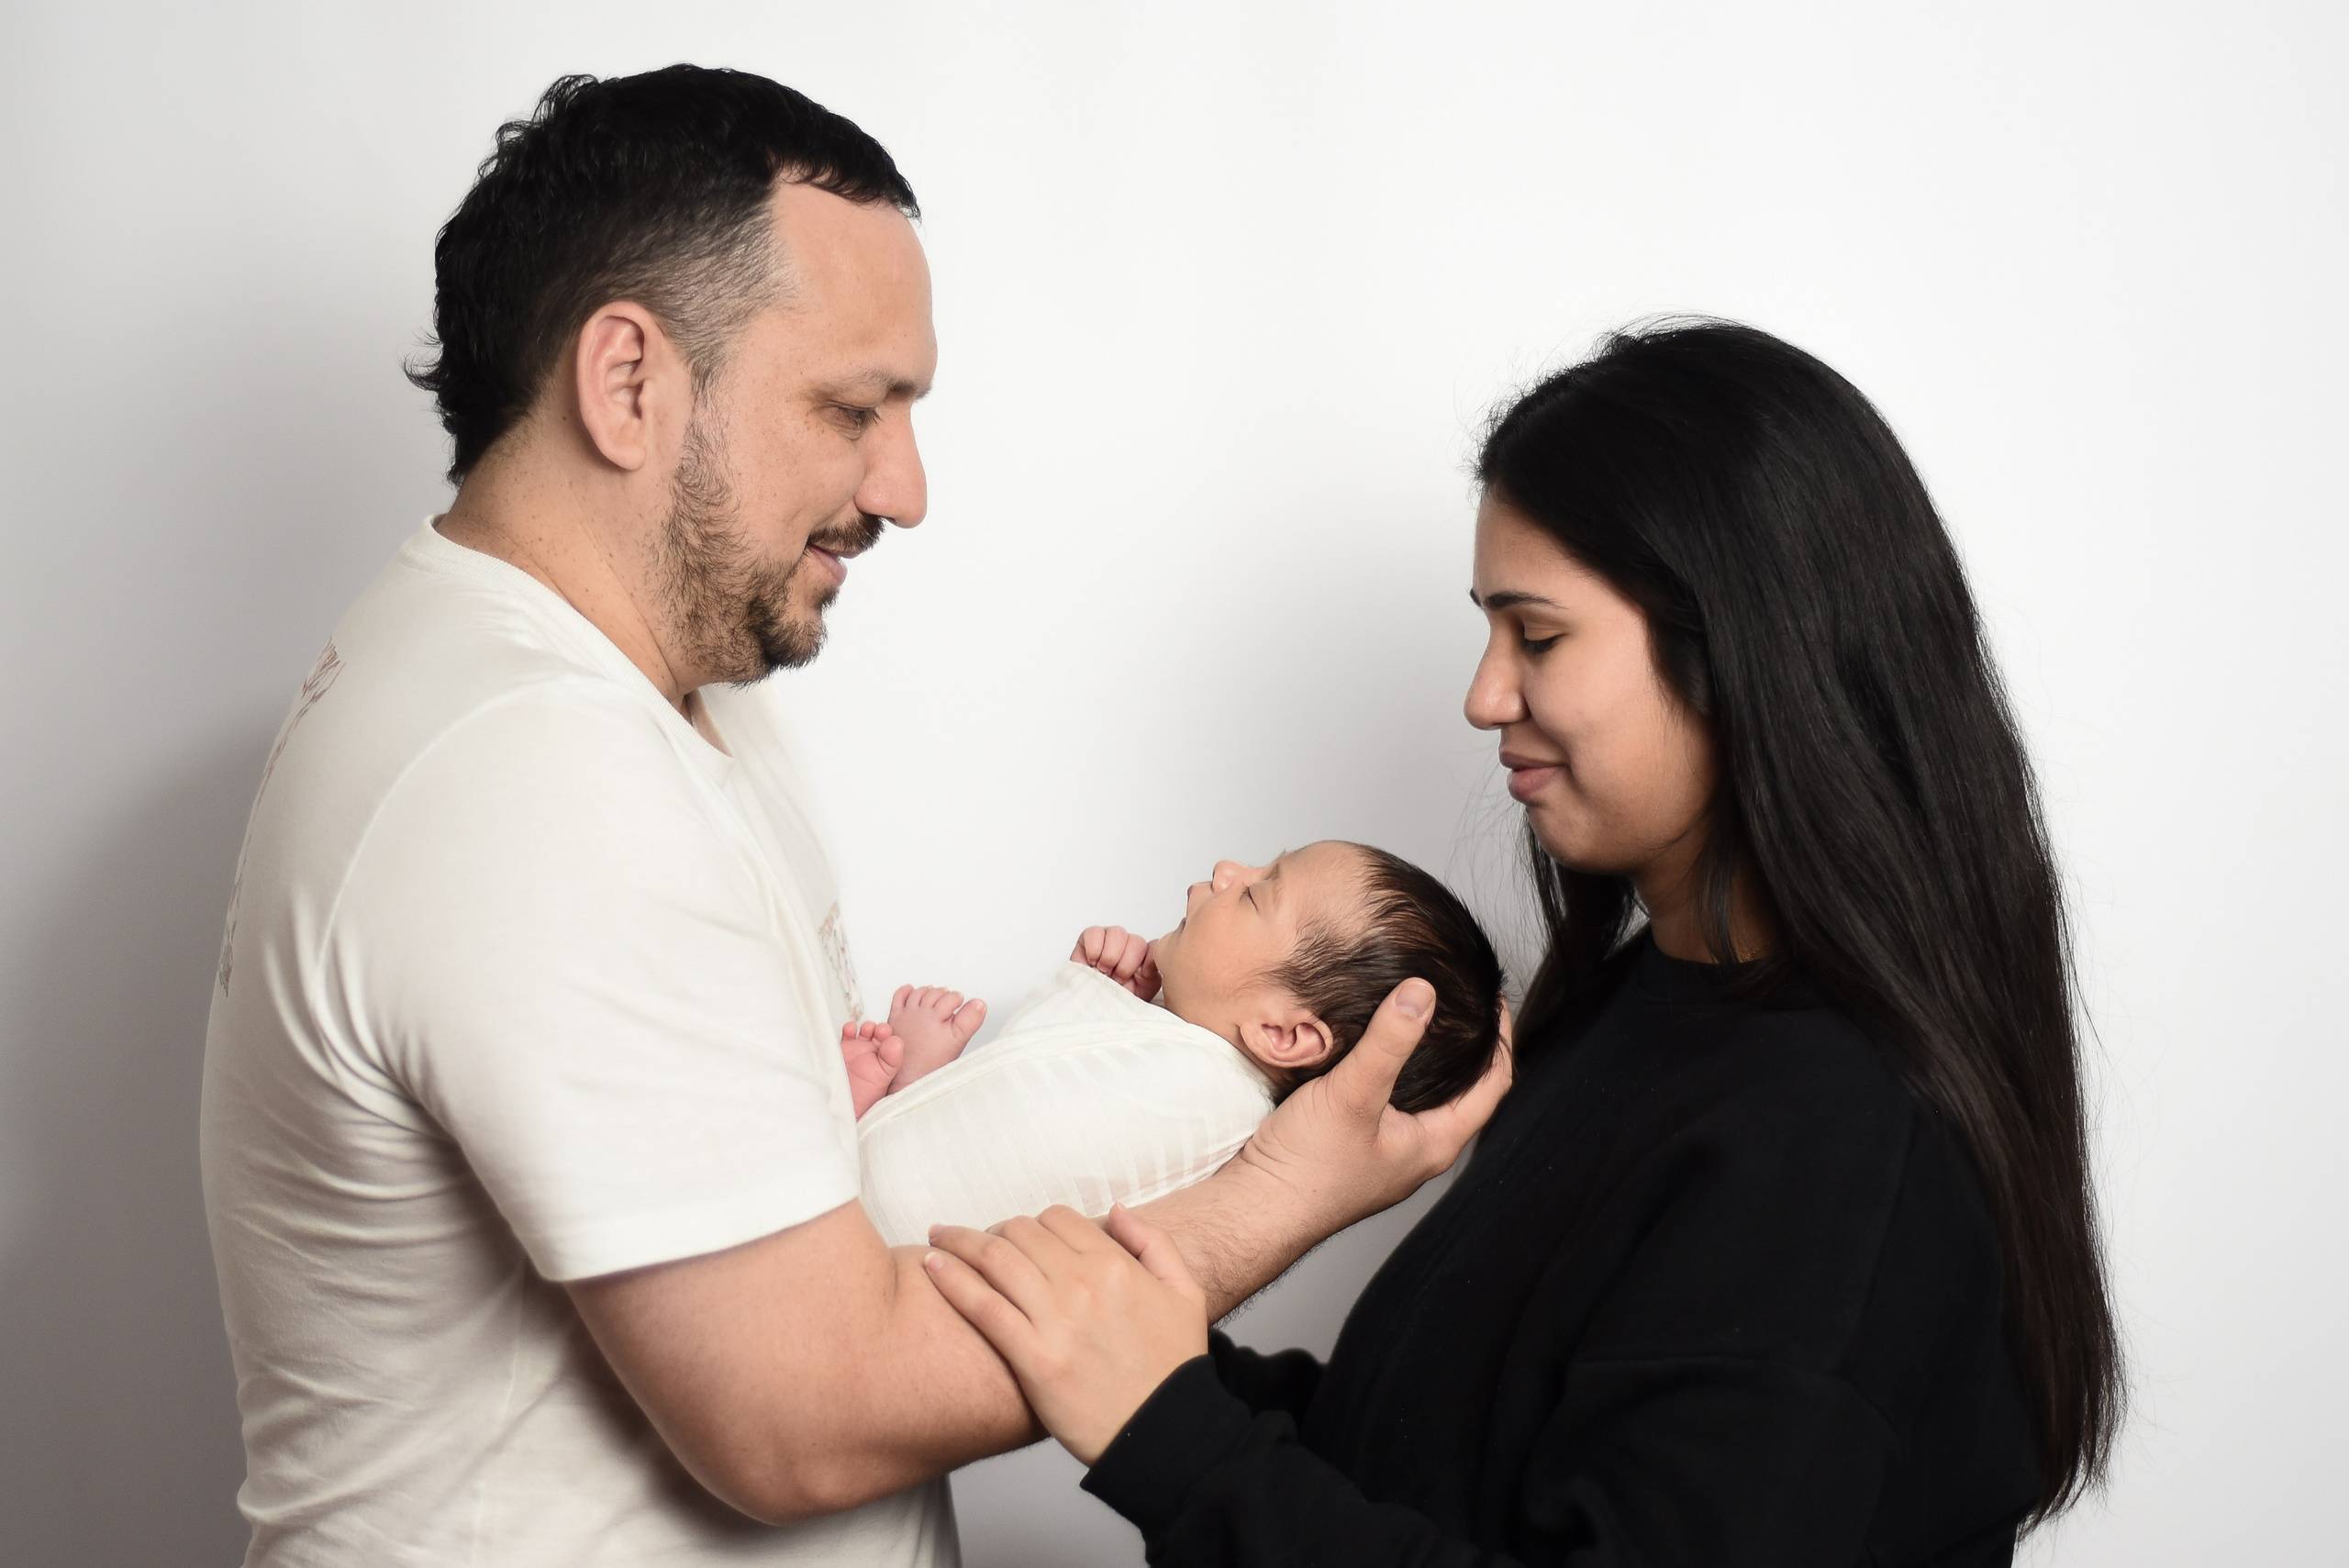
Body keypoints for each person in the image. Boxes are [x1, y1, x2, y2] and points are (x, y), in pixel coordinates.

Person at [199, 66, 1506, 1567]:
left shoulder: (670, 694)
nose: (907, 485)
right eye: (850, 407)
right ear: (629, 383)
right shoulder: (530, 770)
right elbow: (803, 1413)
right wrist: (1283, 1190)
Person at [925, 319, 2126, 1566]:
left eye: (1537, 636)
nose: (1484, 696)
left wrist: (1172, 1434)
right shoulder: (1627, 1010)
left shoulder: (1842, 1137)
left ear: (1741, 645)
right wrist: (1153, 1352)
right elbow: (1438, 1469)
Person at [849, 842, 1505, 1246]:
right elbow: (1015, 1124)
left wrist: (1090, 995)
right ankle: (904, 1093)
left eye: (1255, 892)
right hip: (863, 1194)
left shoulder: (1216, 1109)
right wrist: (1099, 996)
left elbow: (1049, 1160)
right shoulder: (1184, 1060)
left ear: (1283, 1033)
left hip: (869, 1246)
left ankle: (893, 1099)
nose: (1226, 869)